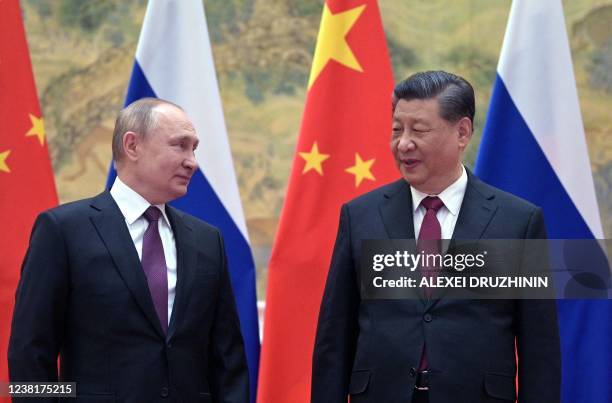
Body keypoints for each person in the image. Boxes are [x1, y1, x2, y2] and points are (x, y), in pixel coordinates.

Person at [311, 71, 560, 403]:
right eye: (397, 129)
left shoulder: (517, 222)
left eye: (419, 130)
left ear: (462, 132)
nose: (404, 143)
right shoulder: (361, 216)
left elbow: (539, 348)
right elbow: (335, 337)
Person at [8, 98, 249, 402]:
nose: (193, 161)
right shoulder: (63, 231)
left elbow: (228, 359)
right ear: (132, 146)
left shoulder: (207, 240)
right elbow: (30, 353)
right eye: (180, 145)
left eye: (194, 148)